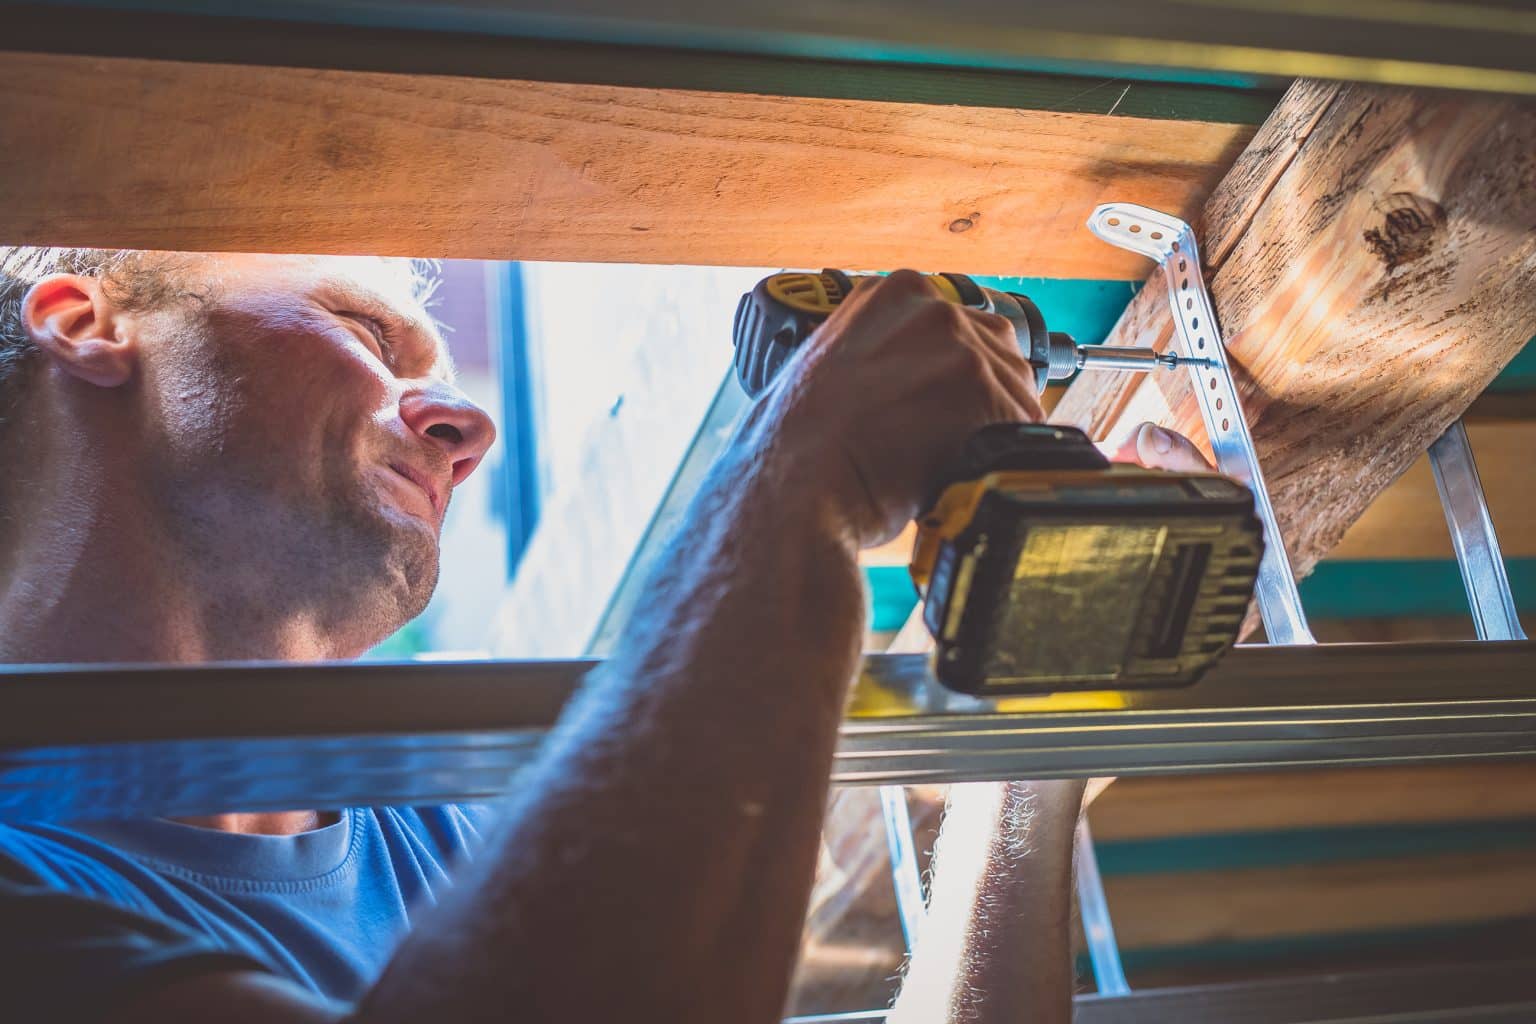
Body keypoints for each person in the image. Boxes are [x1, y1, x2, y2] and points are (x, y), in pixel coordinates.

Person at [0, 248, 1209, 1023]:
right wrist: (796, 475)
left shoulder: (476, 834)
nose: (466, 424)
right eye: (365, 332)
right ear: (86, 321)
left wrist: (1031, 759)